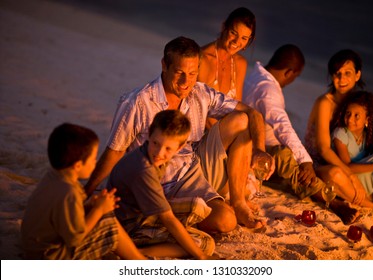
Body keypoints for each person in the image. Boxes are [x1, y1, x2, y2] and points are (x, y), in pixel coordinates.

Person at [85, 36, 274, 231]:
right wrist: (87, 192)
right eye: (179, 72)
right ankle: (166, 214)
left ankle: (238, 203)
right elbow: (114, 152)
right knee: (221, 221)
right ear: (164, 66)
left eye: (192, 73)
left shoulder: (201, 93)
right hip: (151, 181)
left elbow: (252, 113)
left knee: (241, 120)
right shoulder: (136, 102)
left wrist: (259, 149)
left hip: (189, 174)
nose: (186, 81)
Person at [21, 123, 146, 260]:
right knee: (109, 224)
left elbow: (62, 214)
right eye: (93, 160)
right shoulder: (69, 192)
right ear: (78, 165)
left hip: (34, 250)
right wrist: (98, 210)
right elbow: (75, 239)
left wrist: (90, 206)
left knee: (104, 216)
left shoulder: (53, 178)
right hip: (50, 257)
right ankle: (141, 263)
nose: (95, 163)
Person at [107, 110, 214, 259]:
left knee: (198, 206)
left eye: (168, 148)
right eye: (155, 143)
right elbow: (167, 218)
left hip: (142, 213)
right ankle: (134, 253)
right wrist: (202, 257)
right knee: (205, 244)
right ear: (149, 134)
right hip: (127, 226)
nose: (159, 152)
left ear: (180, 147)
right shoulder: (143, 169)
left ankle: (169, 238)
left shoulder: (149, 154)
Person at [304, 49, 373, 224]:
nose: (342, 79)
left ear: (357, 75)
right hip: (317, 164)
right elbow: (323, 148)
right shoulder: (325, 102)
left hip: (343, 162)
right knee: (336, 174)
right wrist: (351, 175)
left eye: (347, 73)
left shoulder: (356, 103)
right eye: (337, 74)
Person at [243, 44, 324, 198]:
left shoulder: (255, 76)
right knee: (286, 156)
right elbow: (283, 127)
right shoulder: (268, 90)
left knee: (291, 155)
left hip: (257, 144)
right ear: (289, 72)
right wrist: (305, 161)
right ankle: (328, 198)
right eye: (296, 76)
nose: (292, 80)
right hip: (259, 149)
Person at [332, 91, 373, 219]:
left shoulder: (366, 136)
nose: (350, 119)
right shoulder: (341, 134)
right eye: (348, 114)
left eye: (356, 115)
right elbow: (347, 167)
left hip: (363, 180)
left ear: (367, 120)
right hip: (349, 180)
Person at [198, 7, 256, 129]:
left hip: (226, 132)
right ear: (224, 27)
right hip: (202, 130)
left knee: (248, 121)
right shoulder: (203, 58)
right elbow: (201, 110)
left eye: (244, 38)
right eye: (233, 33)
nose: (237, 41)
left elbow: (237, 107)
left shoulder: (240, 64)